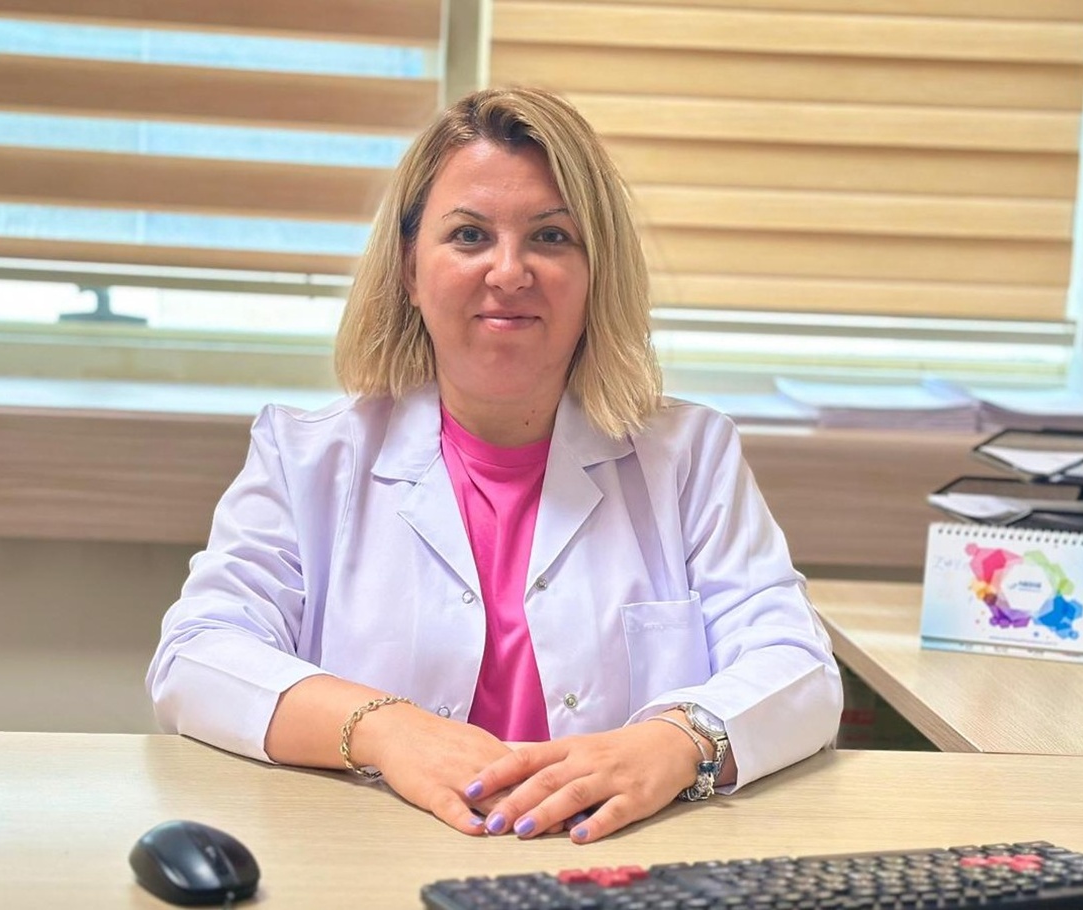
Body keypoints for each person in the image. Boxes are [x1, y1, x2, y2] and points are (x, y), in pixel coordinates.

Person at [147, 86, 841, 844]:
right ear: (410, 270)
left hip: (622, 857)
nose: (509, 272)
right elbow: (195, 656)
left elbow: (797, 665)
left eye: (551, 237)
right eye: (470, 235)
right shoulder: (308, 458)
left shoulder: (688, 456)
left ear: (596, 272)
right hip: (377, 856)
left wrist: (677, 741)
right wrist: (385, 730)